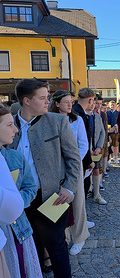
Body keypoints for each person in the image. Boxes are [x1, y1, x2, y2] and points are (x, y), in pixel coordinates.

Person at [10, 79, 81, 278]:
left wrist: (69, 188)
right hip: (21, 199)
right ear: (26, 101)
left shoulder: (58, 121)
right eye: (42, 98)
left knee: (57, 245)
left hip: (53, 196)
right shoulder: (8, 124)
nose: (46, 102)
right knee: (31, 245)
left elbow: (74, 158)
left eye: (47, 97)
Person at [0, 105, 42, 278]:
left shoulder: (15, 157)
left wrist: (17, 201)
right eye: (9, 124)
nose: (16, 130)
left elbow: (30, 187)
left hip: (17, 227)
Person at [50, 90, 90, 256]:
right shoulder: (49, 119)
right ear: (57, 103)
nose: (69, 105)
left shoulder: (77, 120)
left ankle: (80, 237)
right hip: (54, 167)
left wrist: (72, 162)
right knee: (59, 201)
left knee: (77, 202)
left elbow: (83, 144)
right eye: (66, 102)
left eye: (71, 102)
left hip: (74, 167)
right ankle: (64, 236)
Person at [85, 98, 106, 204]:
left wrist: (98, 147)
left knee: (97, 170)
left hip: (96, 149)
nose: (93, 105)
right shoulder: (80, 117)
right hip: (85, 149)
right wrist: (88, 150)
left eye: (94, 104)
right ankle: (87, 191)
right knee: (86, 171)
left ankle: (97, 194)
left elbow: (102, 132)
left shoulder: (97, 116)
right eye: (91, 103)